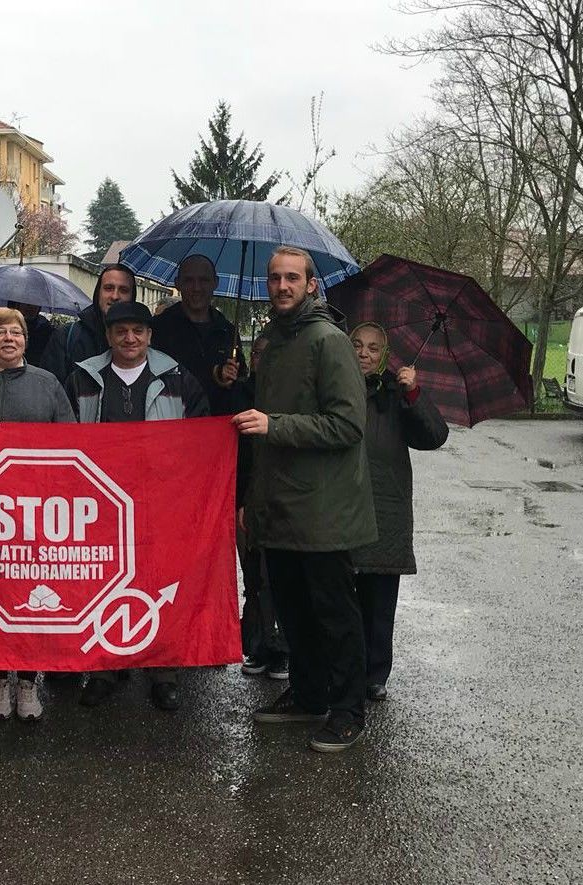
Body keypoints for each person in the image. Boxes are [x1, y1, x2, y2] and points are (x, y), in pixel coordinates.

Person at [232, 246, 377, 753]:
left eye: (292, 278)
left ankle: (348, 709)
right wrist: (251, 495)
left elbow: (346, 425)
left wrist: (275, 425)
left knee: (334, 613)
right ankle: (310, 693)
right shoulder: (270, 341)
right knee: (292, 609)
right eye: (274, 278)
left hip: (324, 507)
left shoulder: (329, 341)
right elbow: (261, 432)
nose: (282, 286)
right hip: (279, 503)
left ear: (312, 285)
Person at [65, 301, 209, 712]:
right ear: (108, 335)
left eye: (138, 331)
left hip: (161, 501)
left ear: (150, 335)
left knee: (160, 582)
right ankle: (105, 667)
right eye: (121, 331)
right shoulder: (82, 377)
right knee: (103, 581)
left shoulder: (178, 378)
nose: (130, 339)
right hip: (101, 500)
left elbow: (201, 436)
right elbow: (62, 430)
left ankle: (164, 670)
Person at [0, 307, 76, 721]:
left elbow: (70, 442)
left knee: (32, 598)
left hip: (37, 511)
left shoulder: (47, 384)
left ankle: (28, 681)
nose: (8, 339)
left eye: (17, 333)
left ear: (26, 340)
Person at [349, 322, 448, 702]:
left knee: (378, 600)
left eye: (374, 348)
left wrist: (413, 394)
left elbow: (434, 436)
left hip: (385, 510)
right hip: (342, 505)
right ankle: (342, 669)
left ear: (385, 355)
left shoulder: (395, 393)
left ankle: (375, 673)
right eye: (357, 345)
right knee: (341, 598)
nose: (364, 353)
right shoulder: (337, 385)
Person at [233, 334, 289, 680]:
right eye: (255, 353)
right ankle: (255, 645)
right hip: (243, 498)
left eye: (267, 354)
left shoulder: (286, 395)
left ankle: (282, 648)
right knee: (252, 577)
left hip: (279, 499)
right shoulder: (240, 392)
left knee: (276, 577)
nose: (260, 359)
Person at [151, 254, 246, 415]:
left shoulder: (228, 331)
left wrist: (229, 376)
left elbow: (241, 378)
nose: (196, 288)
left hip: (217, 424)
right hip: (171, 423)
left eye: (204, 280)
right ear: (178, 284)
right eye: (189, 280)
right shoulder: (158, 328)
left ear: (215, 283)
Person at [39, 263, 136, 382]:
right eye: (109, 288)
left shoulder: (141, 342)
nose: (115, 296)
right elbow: (50, 390)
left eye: (123, 290)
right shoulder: (66, 337)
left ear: (132, 296)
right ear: (98, 293)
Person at [9, 301, 54, 367]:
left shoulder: (46, 329)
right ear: (17, 304)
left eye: (34, 304)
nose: (29, 306)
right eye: (25, 302)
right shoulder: (6, 324)